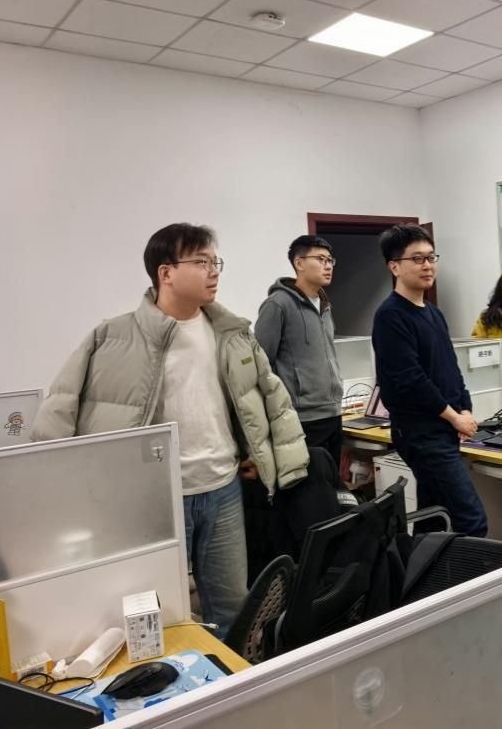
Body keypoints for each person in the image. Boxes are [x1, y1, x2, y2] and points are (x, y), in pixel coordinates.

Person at [30, 223, 309, 637]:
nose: (214, 271)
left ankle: (229, 675)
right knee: (157, 613)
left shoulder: (231, 333)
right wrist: (57, 494)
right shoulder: (112, 337)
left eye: (216, 262)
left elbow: (266, 395)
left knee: (232, 607)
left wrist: (258, 453)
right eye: (202, 261)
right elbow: (60, 407)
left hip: (223, 488)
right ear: (166, 273)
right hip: (156, 498)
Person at [371, 224, 488, 536]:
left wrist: (465, 409)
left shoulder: (434, 313)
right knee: (472, 521)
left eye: (431, 257)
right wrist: (453, 417)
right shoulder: (391, 316)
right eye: (417, 259)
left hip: (444, 428)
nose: (427, 265)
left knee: (434, 516)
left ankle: (421, 566)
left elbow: (451, 368)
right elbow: (410, 380)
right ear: (394, 266)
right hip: (422, 433)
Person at [255, 235, 344, 473]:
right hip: (301, 418)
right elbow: (261, 365)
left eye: (330, 260)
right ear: (299, 263)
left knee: (333, 485)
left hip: (333, 412)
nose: (328, 266)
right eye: (320, 259)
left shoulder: (325, 305)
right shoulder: (277, 304)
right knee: (311, 487)